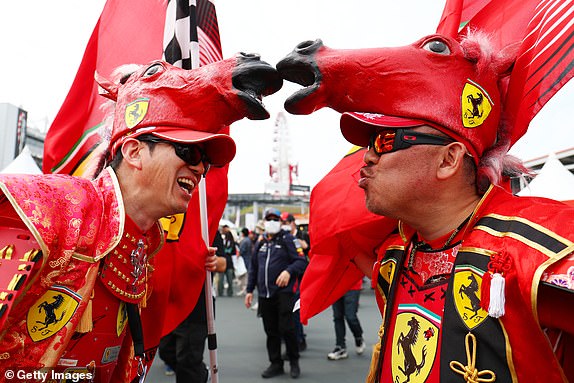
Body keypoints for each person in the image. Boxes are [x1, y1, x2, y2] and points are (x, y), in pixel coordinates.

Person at [0, 57, 281, 381]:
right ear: (133, 152)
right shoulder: (41, 208)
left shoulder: (145, 245)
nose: (201, 169)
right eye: (188, 152)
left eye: (205, 160)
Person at [245, 208, 307, 379]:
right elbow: (254, 268)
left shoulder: (289, 239)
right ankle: (275, 363)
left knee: (287, 328)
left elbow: (301, 261)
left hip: (284, 292)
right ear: (264, 222)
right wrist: (249, 290)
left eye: (275, 219)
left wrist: (288, 271)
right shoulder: (260, 243)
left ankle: (294, 361)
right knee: (271, 331)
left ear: (280, 222)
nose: (272, 222)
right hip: (265, 294)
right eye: (269, 219)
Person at [158, 234, 226, 382]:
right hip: (170, 306)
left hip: (197, 307)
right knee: (165, 352)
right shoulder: (166, 222)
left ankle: (194, 374)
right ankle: (200, 374)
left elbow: (223, 264)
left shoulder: (206, 225)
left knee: (187, 361)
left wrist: (214, 261)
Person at [280, 212, 309, 352]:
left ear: (292, 223)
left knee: (296, 309)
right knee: (290, 310)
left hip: (303, 275)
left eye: (286, 222)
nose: (284, 225)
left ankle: (300, 339)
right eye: (283, 223)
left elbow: (308, 250)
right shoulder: (282, 237)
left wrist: (303, 244)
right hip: (289, 277)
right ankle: (294, 337)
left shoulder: (302, 234)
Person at [326, 279, 366, 360]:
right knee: (338, 317)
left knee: (350, 317)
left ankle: (358, 337)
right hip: (336, 285)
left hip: (352, 285)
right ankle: (340, 347)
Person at [218, 225, 236, 297]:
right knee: (224, 279)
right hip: (225, 261)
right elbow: (234, 254)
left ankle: (226, 292)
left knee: (226, 279)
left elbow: (234, 254)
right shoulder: (222, 242)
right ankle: (224, 292)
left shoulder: (231, 243)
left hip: (227, 262)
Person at [237, 227, 254, 296]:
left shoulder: (244, 241)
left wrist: (239, 254)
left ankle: (244, 289)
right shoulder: (249, 240)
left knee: (244, 275)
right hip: (248, 258)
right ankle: (245, 288)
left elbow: (242, 250)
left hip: (244, 259)